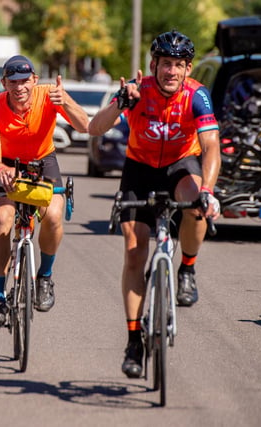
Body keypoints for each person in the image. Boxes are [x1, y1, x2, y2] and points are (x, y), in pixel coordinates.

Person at [88, 30, 221, 378]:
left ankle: (187, 268)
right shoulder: (137, 92)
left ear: (188, 68)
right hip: (140, 170)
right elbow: (94, 128)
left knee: (197, 205)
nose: (171, 71)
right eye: (165, 64)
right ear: (153, 65)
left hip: (181, 165)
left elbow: (210, 146)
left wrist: (208, 189)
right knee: (134, 252)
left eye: (178, 65)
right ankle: (134, 340)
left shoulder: (197, 95)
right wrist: (120, 101)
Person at [0, 55, 89, 327]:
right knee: (3, 220)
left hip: (44, 161)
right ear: (4, 83)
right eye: (12, 82)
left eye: (25, 81)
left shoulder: (49, 96)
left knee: (53, 216)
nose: (19, 88)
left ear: (35, 81)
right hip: (7, 166)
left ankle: (45, 278)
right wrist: (1, 170)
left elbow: (85, 125)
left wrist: (66, 101)